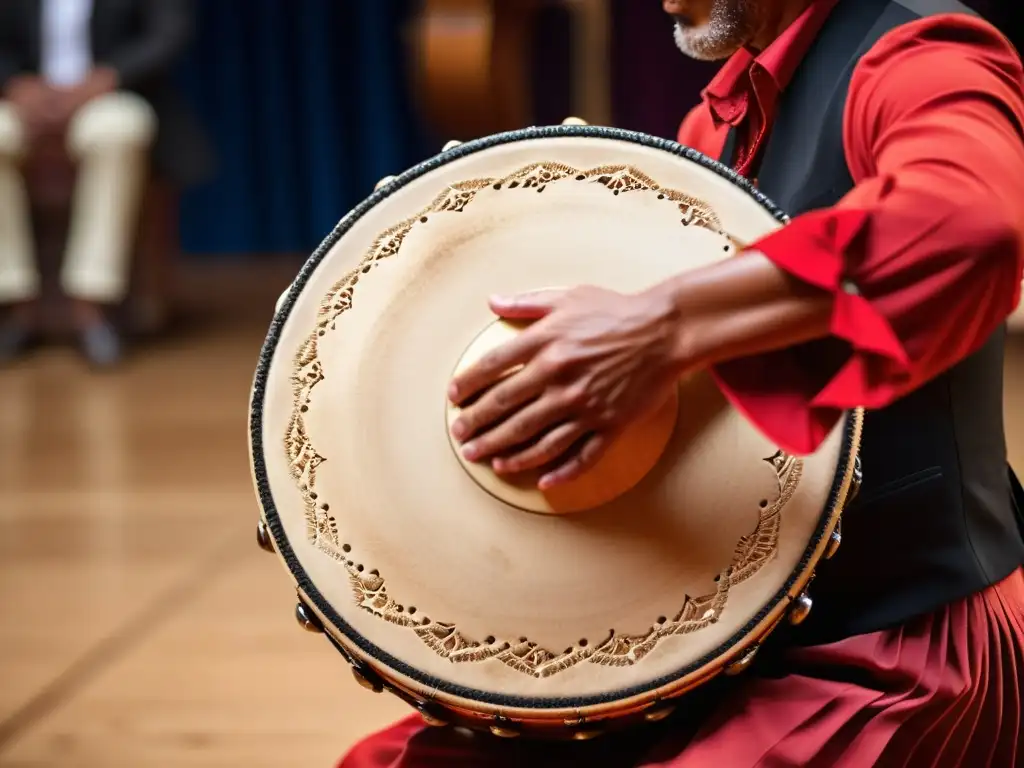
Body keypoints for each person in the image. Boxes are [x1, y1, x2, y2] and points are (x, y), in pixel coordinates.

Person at [340, 0, 1024, 765]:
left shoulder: (923, 53)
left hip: (896, 652)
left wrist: (656, 326)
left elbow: (972, 227)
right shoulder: (716, 122)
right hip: (731, 642)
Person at [0, 0, 212, 368]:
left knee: (120, 131)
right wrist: (15, 85)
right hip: (22, 99)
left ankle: (91, 305)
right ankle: (17, 304)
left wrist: (107, 78)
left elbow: (168, 33)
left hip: (110, 94)